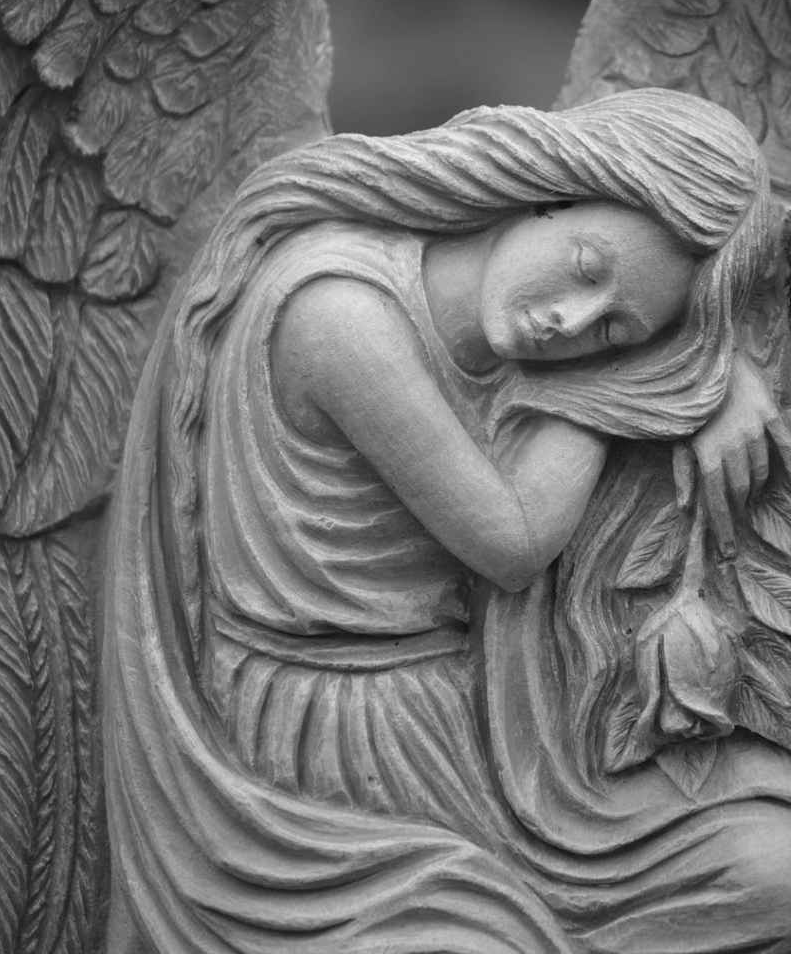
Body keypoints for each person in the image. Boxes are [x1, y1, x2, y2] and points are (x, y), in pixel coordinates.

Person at [105, 88, 791, 953]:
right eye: (585, 267)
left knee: (774, 872)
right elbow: (510, 544)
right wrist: (651, 386)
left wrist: (726, 373)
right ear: (552, 191)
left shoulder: (513, 348)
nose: (568, 323)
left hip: (484, 730)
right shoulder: (335, 310)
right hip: (322, 747)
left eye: (614, 330)